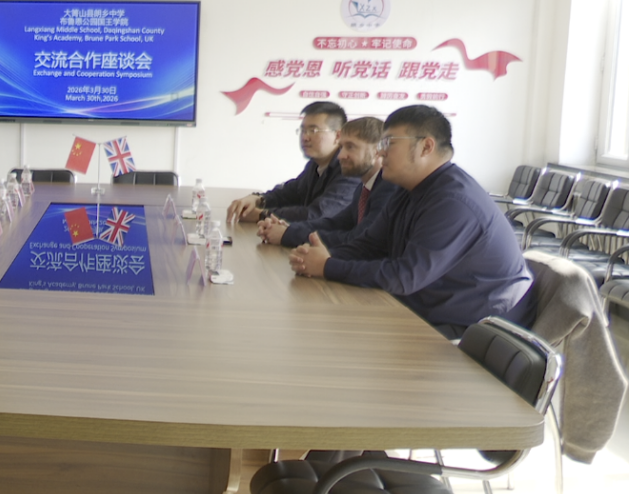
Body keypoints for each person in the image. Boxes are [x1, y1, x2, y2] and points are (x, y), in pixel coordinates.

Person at [289, 105, 535, 338]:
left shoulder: (453, 202)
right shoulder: (408, 189)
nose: (380, 152)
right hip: (431, 305)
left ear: (426, 146)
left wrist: (327, 266)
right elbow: (369, 246)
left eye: (389, 143)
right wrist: (315, 257)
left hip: (474, 326)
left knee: (346, 334)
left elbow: (405, 277)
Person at [257, 117, 399, 249]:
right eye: (341, 147)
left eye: (350, 147)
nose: (340, 155)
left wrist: (289, 235)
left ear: (377, 151)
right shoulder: (364, 187)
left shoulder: (389, 189)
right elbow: (334, 223)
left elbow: (358, 239)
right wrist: (288, 228)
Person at [226, 101, 359, 223]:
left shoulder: (349, 170)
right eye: (303, 130)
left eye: (313, 131)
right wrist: (258, 199)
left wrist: (262, 215)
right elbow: (289, 193)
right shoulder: (314, 165)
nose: (305, 137)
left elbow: (317, 214)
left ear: (338, 136)